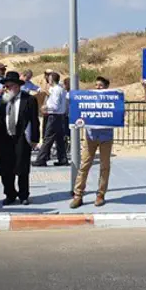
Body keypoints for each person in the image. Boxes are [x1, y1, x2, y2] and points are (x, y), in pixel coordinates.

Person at [70, 76, 114, 208]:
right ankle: (78, 195)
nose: (98, 87)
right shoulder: (88, 99)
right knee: (84, 166)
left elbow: (119, 115)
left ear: (106, 87)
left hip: (106, 137)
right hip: (90, 137)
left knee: (104, 167)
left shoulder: (113, 100)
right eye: (96, 85)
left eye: (100, 85)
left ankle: (100, 194)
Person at [0, 71, 40, 206]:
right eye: (6, 86)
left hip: (22, 137)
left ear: (17, 86)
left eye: (10, 86)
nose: (8, 89)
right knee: (6, 168)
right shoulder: (2, 100)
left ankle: (23, 195)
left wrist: (34, 139)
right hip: (5, 138)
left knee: (22, 168)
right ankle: (10, 194)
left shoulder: (29, 100)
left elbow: (34, 120)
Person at [34, 72, 69, 167]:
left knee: (48, 138)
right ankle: (62, 159)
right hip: (59, 116)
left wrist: (45, 108)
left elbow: (54, 105)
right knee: (59, 139)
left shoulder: (56, 90)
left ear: (51, 80)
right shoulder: (60, 89)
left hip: (53, 116)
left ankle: (41, 159)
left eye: (49, 78)